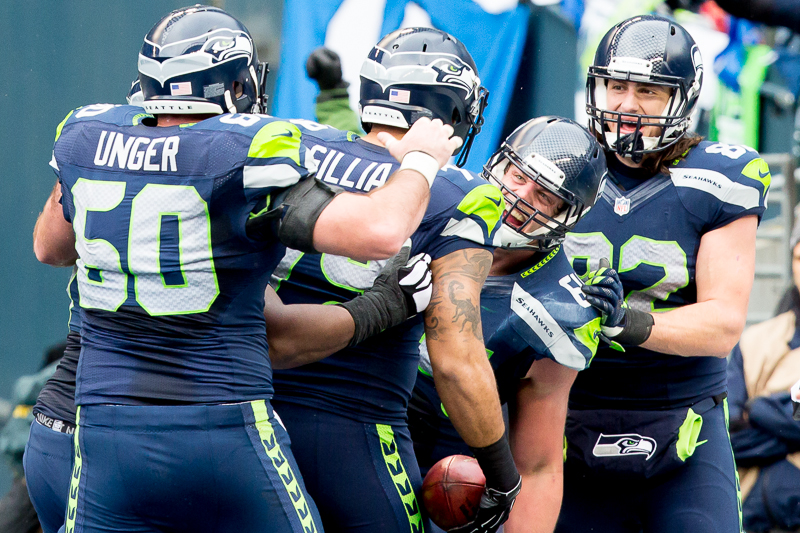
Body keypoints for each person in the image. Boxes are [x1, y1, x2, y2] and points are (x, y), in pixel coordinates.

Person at [33, 6, 461, 533]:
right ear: (236, 87)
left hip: (102, 430)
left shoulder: (85, 133)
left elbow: (49, 247)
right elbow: (379, 231)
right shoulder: (244, 148)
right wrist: (421, 160)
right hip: (221, 425)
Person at [268, 27, 521, 533]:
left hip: (254, 416)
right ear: (450, 108)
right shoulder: (460, 193)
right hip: (358, 434)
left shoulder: (290, 147)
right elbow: (455, 358)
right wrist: (502, 473)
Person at [556, 14, 769, 533]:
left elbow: (723, 323)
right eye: (617, 86)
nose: (628, 104)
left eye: (648, 90)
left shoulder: (721, 175)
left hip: (682, 420)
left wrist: (626, 323)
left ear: (683, 97)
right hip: (563, 415)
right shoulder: (557, 162)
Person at [407, 116, 609, 533]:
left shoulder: (557, 307)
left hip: (445, 472)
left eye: (545, 196)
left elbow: (538, 466)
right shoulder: (428, 200)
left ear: (567, 215)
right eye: (517, 177)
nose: (518, 197)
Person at [726, 220, 800, 533]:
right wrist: (788, 430)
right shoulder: (755, 341)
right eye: (799, 257)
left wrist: (756, 409)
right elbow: (727, 433)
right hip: (751, 516)